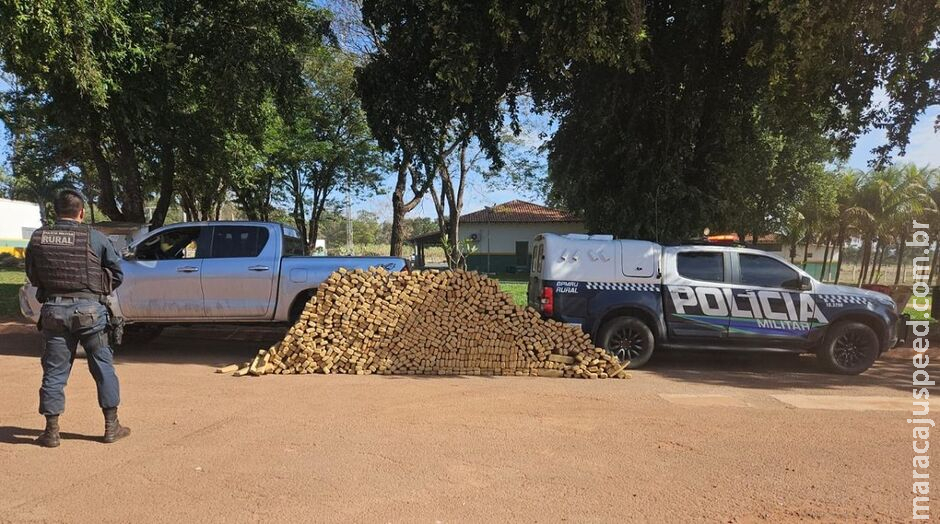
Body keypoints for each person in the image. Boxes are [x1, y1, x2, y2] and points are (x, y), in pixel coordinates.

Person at [25, 189, 130, 447]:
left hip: (53, 311)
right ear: (81, 212)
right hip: (90, 312)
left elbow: (33, 275)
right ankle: (111, 426)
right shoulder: (94, 237)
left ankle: (51, 432)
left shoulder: (38, 238)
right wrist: (96, 289)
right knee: (103, 368)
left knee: (54, 372)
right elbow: (117, 273)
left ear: (55, 211)